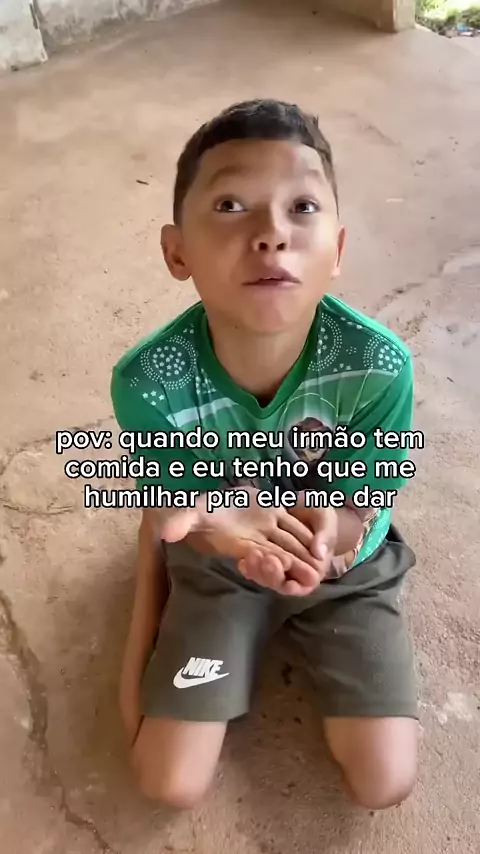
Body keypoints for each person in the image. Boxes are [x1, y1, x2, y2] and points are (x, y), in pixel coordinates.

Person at [111, 99, 419, 812]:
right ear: (177, 253)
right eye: (230, 204)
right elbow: (180, 503)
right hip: (218, 558)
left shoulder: (380, 366)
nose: (271, 233)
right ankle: (172, 575)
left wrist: (333, 536)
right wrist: (207, 531)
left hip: (343, 564)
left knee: (385, 781)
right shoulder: (148, 382)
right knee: (168, 782)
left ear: (337, 249)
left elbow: (371, 492)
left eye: (302, 207)